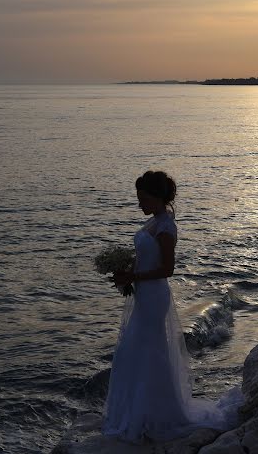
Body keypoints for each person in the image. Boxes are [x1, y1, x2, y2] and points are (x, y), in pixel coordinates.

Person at [101, 170, 244, 443]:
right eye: (138, 198)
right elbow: (145, 258)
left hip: (155, 296)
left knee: (149, 351)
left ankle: (155, 413)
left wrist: (134, 276)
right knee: (138, 351)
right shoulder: (154, 222)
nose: (139, 204)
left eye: (143, 198)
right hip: (144, 294)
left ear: (157, 198)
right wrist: (126, 273)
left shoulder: (166, 227)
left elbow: (167, 269)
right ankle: (139, 410)